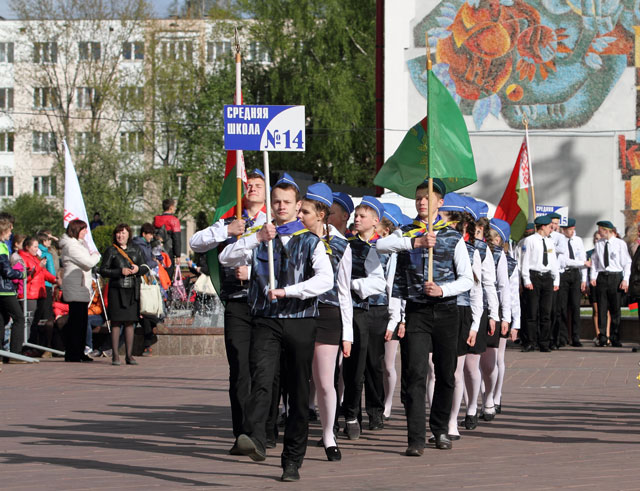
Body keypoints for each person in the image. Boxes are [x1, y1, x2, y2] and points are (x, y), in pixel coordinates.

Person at [219, 173, 333, 482]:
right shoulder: (260, 237)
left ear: (298, 207)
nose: (281, 207)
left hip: (300, 320)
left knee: (297, 391)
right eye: (277, 202)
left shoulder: (310, 240)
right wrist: (256, 238)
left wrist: (290, 291)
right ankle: (255, 436)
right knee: (262, 377)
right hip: (266, 320)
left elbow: (326, 280)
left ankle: (292, 459)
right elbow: (225, 256)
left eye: (287, 202)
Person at [378, 178, 473, 453]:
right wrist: (415, 243)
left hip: (446, 311)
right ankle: (415, 438)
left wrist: (443, 289)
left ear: (439, 203)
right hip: (416, 312)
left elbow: (467, 279)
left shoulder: (453, 236)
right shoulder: (405, 232)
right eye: (419, 197)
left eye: (427, 198)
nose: (422, 202)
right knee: (415, 373)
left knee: (445, 373)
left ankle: (440, 430)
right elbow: (380, 247)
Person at [190, 168, 268, 452]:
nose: (252, 189)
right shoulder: (230, 221)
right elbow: (196, 242)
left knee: (264, 368)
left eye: (258, 185)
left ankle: (263, 429)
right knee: (239, 367)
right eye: (249, 185)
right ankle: (242, 433)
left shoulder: (273, 223)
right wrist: (227, 231)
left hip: (266, 303)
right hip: (237, 302)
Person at [298, 183, 353, 461]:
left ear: (321, 213)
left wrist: (348, 334)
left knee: (324, 381)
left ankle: (329, 434)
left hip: (328, 316)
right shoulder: (293, 238)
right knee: (296, 378)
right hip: (296, 313)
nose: (299, 216)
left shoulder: (342, 245)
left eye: (304, 211)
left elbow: (345, 292)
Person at [342, 196, 387, 439]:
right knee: (354, 364)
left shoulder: (385, 245)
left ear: (375, 221)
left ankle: (375, 409)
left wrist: (395, 315)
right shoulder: (349, 244)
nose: (356, 219)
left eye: (362, 216)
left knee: (374, 363)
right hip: (356, 308)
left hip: (379, 308)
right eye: (356, 215)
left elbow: (389, 280)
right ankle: (352, 413)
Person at [99, 223, 147, 365]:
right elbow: (103, 270)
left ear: (129, 235)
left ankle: (129, 355)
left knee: (130, 323)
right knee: (116, 323)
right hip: (117, 290)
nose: (121, 236)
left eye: (124, 233)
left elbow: (145, 267)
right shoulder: (111, 251)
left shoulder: (136, 250)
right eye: (118, 233)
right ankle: (115, 355)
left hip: (132, 291)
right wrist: (120, 272)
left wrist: (138, 269)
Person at [488, 218, 520, 414]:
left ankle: (496, 395)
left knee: (498, 357)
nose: (492, 240)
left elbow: (512, 293)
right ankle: (485, 395)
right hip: (483, 309)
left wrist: (514, 321)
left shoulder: (509, 262)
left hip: (501, 310)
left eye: (495, 237)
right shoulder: (480, 253)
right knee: (481, 358)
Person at [59, 220, 101, 362]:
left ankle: (78, 351)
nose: (85, 233)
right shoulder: (71, 246)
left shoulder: (77, 244)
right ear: (76, 230)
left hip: (80, 288)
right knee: (76, 323)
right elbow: (88, 262)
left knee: (81, 322)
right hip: (75, 288)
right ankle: (73, 353)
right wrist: (96, 255)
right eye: (83, 230)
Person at [520, 215, 560, 352]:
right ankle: (531, 341)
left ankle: (544, 342)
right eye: (549, 227)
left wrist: (556, 279)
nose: (551, 229)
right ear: (542, 227)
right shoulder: (530, 241)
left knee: (546, 312)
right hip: (534, 276)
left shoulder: (549, 242)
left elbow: (553, 261)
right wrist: (526, 279)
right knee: (532, 311)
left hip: (547, 277)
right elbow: (524, 261)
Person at [590, 220, 631, 347]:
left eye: (600, 230)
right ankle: (602, 337)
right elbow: (595, 261)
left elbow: (626, 263)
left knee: (615, 309)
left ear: (607, 231)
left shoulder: (620, 244)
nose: (598, 232)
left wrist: (625, 279)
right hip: (602, 277)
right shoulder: (599, 244)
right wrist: (593, 276)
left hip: (615, 277)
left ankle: (615, 336)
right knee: (602, 308)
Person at [19, 236, 58, 352]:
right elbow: (26, 277)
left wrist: (55, 280)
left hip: (40, 293)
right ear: (27, 247)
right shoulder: (22, 258)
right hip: (30, 294)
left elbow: (44, 273)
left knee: (35, 323)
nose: (37, 249)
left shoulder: (35, 257)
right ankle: (25, 347)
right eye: (35, 247)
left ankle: (32, 346)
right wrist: (38, 267)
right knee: (29, 322)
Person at [557, 218, 589, 347]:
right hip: (565, 273)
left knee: (576, 307)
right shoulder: (560, 241)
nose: (570, 232)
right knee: (563, 307)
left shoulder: (578, 240)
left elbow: (583, 258)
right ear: (563, 230)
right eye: (568, 230)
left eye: (572, 229)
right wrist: (582, 263)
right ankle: (564, 336)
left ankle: (576, 336)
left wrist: (584, 279)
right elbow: (565, 261)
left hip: (576, 275)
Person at [0, 217, 26, 360]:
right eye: (10, 230)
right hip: (4, 289)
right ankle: (16, 354)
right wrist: (21, 274)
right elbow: (7, 271)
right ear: (3, 230)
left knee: (2, 319)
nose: (11, 233)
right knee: (19, 318)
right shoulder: (1, 247)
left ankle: (1, 355)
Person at [153, 198, 182, 273]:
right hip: (169, 252)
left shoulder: (156, 219)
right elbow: (177, 239)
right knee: (168, 276)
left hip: (156, 252)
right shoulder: (174, 220)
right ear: (171, 207)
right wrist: (178, 255)